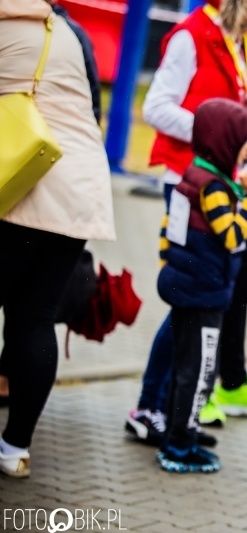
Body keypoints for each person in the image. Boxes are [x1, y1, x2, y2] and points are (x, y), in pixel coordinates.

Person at [125, 0, 247, 444]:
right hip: (190, 181)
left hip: (227, 183)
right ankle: (152, 407)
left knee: (200, 301)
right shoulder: (190, 35)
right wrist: (225, 135)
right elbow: (157, 108)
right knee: (190, 299)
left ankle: (169, 411)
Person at [0, 0, 115, 477]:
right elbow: (93, 109)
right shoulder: (71, 33)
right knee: (35, 317)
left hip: (22, 175)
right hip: (80, 182)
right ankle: (14, 450)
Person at [156, 98, 247, 473]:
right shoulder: (214, 187)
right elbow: (233, 236)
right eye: (243, 140)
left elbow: (166, 231)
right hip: (204, 294)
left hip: (186, 286)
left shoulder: (193, 174)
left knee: (184, 367)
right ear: (224, 140)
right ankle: (179, 446)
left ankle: (178, 429)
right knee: (200, 371)